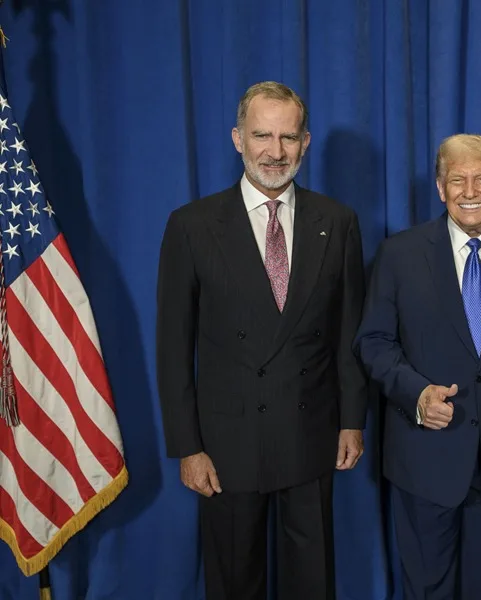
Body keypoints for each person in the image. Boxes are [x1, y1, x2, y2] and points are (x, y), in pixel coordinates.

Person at [155, 81, 367, 600]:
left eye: (288, 138)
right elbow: (172, 347)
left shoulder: (337, 223)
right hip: (227, 445)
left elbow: (348, 334)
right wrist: (188, 447)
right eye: (262, 136)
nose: (275, 152)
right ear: (237, 139)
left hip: (311, 432)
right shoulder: (192, 226)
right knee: (233, 583)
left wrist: (351, 420)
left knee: (311, 582)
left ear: (306, 142)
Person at [354, 134, 481, 599]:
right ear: (439, 187)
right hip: (423, 458)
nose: (470, 191)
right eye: (457, 179)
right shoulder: (399, 255)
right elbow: (373, 341)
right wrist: (416, 394)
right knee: (425, 589)